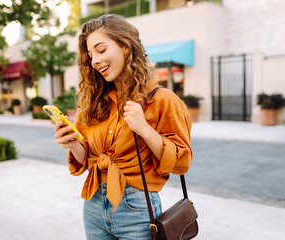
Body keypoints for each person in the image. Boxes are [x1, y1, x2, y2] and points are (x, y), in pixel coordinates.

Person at [54, 14, 193, 240]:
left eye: (101, 50)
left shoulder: (162, 100)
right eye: (90, 55)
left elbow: (181, 163)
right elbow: (88, 160)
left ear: (126, 47)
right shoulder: (93, 102)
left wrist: (145, 129)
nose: (95, 61)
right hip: (93, 205)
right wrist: (72, 144)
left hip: (137, 209)